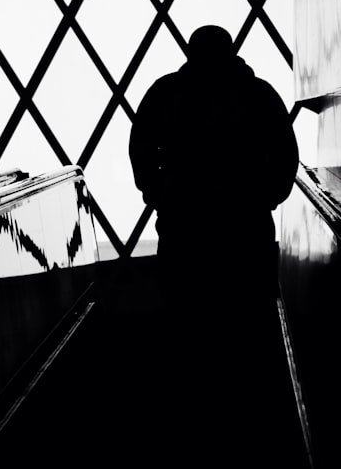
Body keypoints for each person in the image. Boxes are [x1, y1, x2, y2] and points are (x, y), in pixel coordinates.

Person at [128, 25, 299, 462]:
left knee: (191, 332)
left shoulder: (165, 93)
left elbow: (141, 149)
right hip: (246, 232)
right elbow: (285, 156)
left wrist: (160, 193)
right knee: (248, 335)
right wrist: (264, 196)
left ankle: (195, 427)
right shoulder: (259, 94)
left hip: (185, 233)